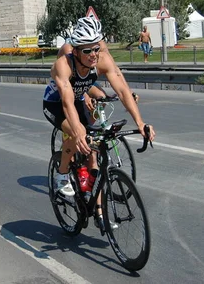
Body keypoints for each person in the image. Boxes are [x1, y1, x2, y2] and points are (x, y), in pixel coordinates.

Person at [43, 23, 155, 228]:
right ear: (75, 51)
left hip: (76, 100)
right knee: (79, 132)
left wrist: (140, 123)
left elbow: (122, 90)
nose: (94, 54)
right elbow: (67, 103)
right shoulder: (63, 65)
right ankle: (61, 173)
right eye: (87, 51)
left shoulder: (102, 60)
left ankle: (100, 213)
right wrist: (78, 132)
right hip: (55, 104)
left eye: (96, 48)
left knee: (95, 157)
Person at [57, 17, 139, 105]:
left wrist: (128, 91)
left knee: (102, 99)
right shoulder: (69, 48)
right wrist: (85, 97)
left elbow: (115, 70)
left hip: (87, 78)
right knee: (97, 97)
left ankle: (95, 118)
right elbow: (71, 80)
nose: (95, 40)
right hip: (72, 82)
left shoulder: (100, 44)